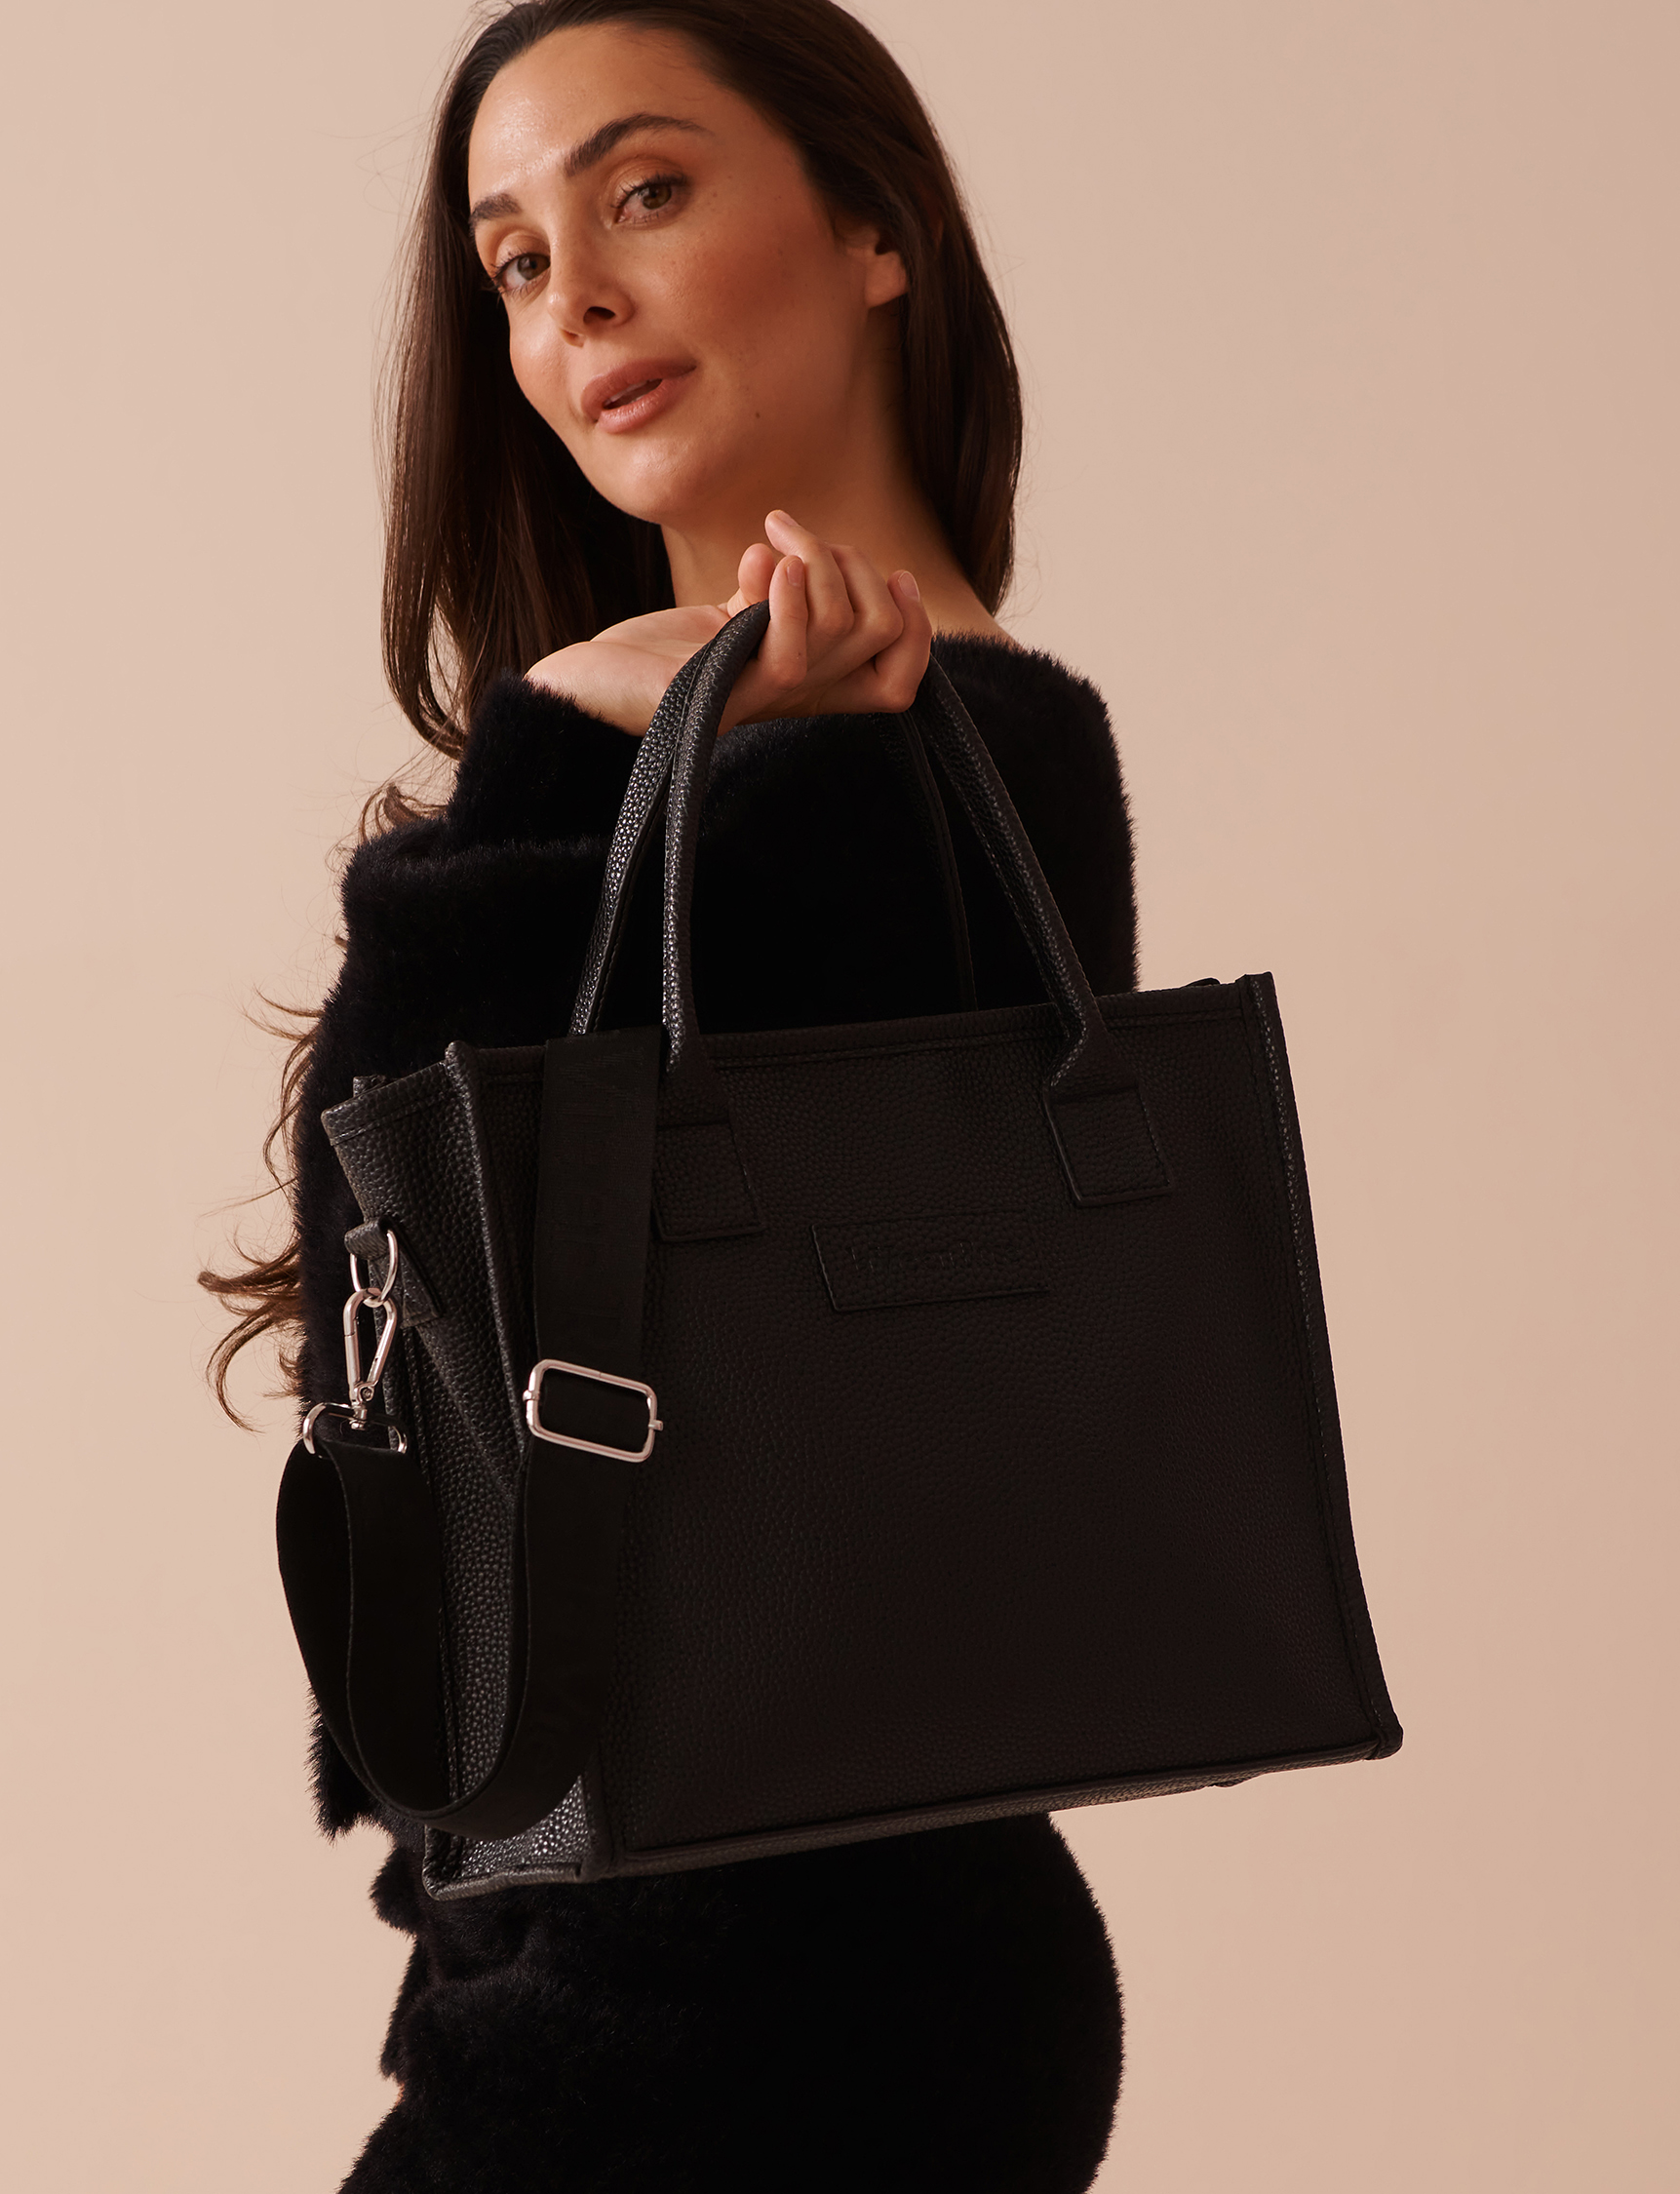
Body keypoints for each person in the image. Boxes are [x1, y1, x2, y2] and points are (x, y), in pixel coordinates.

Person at [209, 3, 1137, 2186]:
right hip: (670, 1968)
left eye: (645, 191)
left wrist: (555, 743)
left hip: (756, 1999)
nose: (577, 299)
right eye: (516, 260)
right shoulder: (710, 762)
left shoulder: (932, 768)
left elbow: (431, 1288)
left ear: (877, 230)